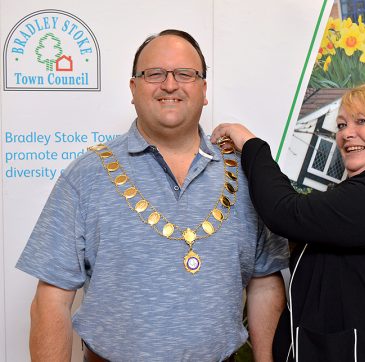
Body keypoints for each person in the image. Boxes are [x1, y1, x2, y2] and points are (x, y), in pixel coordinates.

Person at [16, 29, 289, 362]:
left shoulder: (246, 176)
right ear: (133, 89)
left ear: (204, 90)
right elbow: (52, 299)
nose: (170, 85)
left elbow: (264, 280)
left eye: (185, 74)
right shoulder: (86, 175)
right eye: (154, 74)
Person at [211, 83, 365, 361]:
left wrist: (250, 144)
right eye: (342, 124)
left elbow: (286, 212)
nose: (347, 133)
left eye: (362, 121)